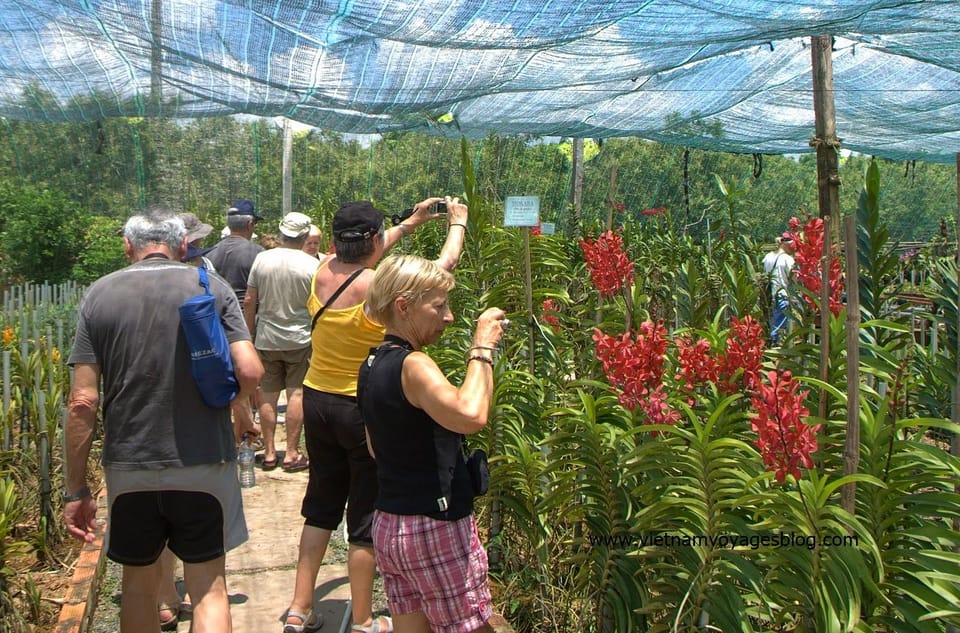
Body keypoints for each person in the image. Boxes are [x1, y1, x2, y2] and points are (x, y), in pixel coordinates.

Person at [63, 208, 263, 633]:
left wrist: (76, 488)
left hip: (129, 466)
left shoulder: (99, 294)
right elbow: (250, 371)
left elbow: (82, 399)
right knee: (209, 588)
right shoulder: (210, 286)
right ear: (184, 245)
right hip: (204, 463)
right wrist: (230, 402)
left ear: (128, 247)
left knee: (139, 587)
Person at [282, 197, 466, 633]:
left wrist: (411, 223)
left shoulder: (323, 268)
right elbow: (441, 270)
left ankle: (299, 607)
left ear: (333, 240)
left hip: (316, 399)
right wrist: (456, 223)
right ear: (376, 241)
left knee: (321, 506)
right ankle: (363, 619)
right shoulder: (376, 286)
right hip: (356, 407)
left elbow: (370, 248)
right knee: (364, 514)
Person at [357, 254, 507, 633]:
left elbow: (376, 447)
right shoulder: (414, 365)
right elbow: (471, 414)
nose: (448, 316)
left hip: (391, 525)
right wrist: (482, 347)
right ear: (403, 307)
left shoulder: (371, 364)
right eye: (438, 306)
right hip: (434, 527)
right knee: (471, 626)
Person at [243, 212, 320, 472]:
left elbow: (250, 300)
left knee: (267, 394)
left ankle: (267, 453)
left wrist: (249, 336)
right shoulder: (312, 264)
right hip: (301, 337)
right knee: (296, 393)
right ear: (305, 236)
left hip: (266, 338)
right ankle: (291, 453)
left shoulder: (262, 259)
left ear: (282, 232)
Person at [208, 199, 264, 445]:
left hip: (215, 323)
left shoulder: (211, 253)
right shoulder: (258, 253)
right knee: (250, 378)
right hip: (246, 322)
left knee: (226, 377)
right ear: (250, 224)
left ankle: (234, 434)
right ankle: (245, 434)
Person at [761, 231, 797, 345]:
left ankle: (770, 345)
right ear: (786, 244)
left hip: (769, 296)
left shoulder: (768, 257)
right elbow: (794, 279)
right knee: (781, 327)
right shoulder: (788, 259)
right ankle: (777, 347)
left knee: (772, 321)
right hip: (783, 295)